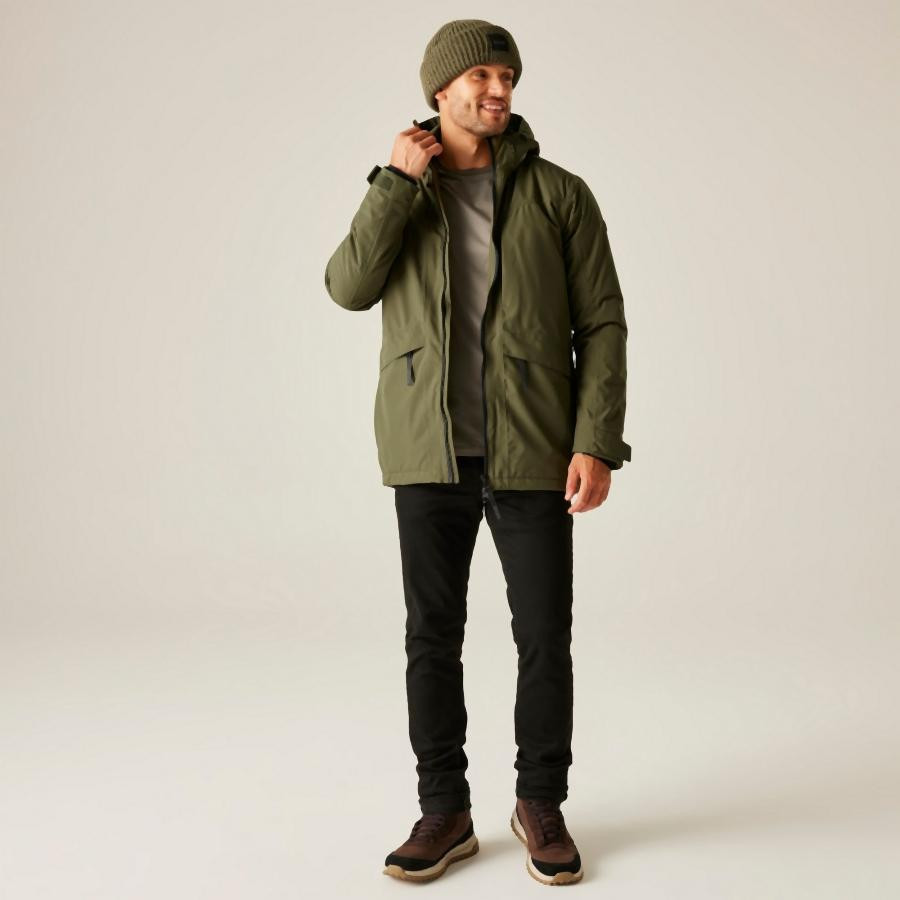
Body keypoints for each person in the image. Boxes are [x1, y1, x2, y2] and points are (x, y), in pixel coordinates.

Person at [324, 19, 631, 886]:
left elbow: (602, 322)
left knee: (543, 636)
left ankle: (540, 803)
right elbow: (347, 287)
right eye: (482, 77)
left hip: (534, 447)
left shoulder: (560, 194)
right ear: (441, 90)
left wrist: (596, 439)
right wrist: (394, 182)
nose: (500, 90)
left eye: (508, 77)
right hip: (429, 449)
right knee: (432, 636)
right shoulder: (404, 189)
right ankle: (444, 810)